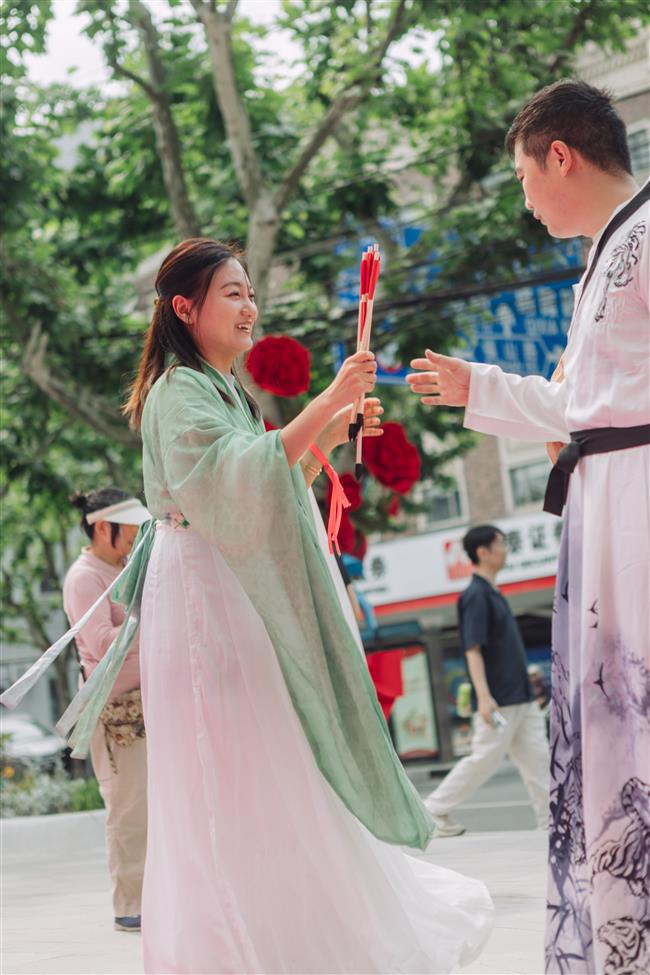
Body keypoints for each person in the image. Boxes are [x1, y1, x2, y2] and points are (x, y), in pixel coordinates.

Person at [121, 237, 493, 973]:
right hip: (202, 590)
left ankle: (286, 931)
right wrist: (328, 399)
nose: (250, 305)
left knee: (270, 753)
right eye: (233, 291)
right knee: (226, 766)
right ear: (184, 307)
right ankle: (233, 942)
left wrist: (336, 424)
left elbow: (264, 468)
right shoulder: (176, 389)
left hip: (228, 583)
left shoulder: (218, 387)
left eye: (251, 290)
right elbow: (236, 480)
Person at [407, 80, 649, 975]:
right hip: (607, 504)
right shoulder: (603, 256)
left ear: (561, 155)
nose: (523, 198)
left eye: (522, 175)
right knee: (618, 728)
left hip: (638, 505)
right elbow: (583, 404)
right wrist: (480, 386)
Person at [423, 524, 549, 838]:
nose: (506, 549)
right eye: (501, 544)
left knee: (539, 759)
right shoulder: (475, 596)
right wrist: (484, 696)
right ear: (483, 552)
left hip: (520, 695)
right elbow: (472, 649)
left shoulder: (492, 593)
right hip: (500, 698)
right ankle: (432, 811)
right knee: (485, 759)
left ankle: (553, 822)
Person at [63, 488, 151, 933]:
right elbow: (101, 643)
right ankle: (129, 904)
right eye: (130, 531)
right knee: (128, 808)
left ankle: (153, 897)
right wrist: (147, 620)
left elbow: (121, 636)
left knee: (151, 806)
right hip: (113, 712)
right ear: (103, 527)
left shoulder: (120, 569)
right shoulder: (85, 578)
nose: (136, 540)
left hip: (144, 704)